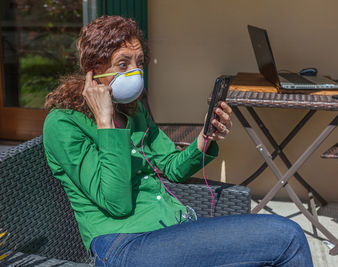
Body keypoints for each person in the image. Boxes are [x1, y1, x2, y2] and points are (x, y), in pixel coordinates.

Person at [43, 15, 313, 267]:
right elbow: (117, 204)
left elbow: (172, 166)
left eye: (139, 63)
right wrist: (105, 123)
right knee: (286, 236)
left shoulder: (132, 111)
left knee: (270, 248)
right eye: (123, 64)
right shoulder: (64, 124)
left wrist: (203, 141)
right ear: (94, 71)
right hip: (124, 244)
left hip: (172, 229)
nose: (136, 73)